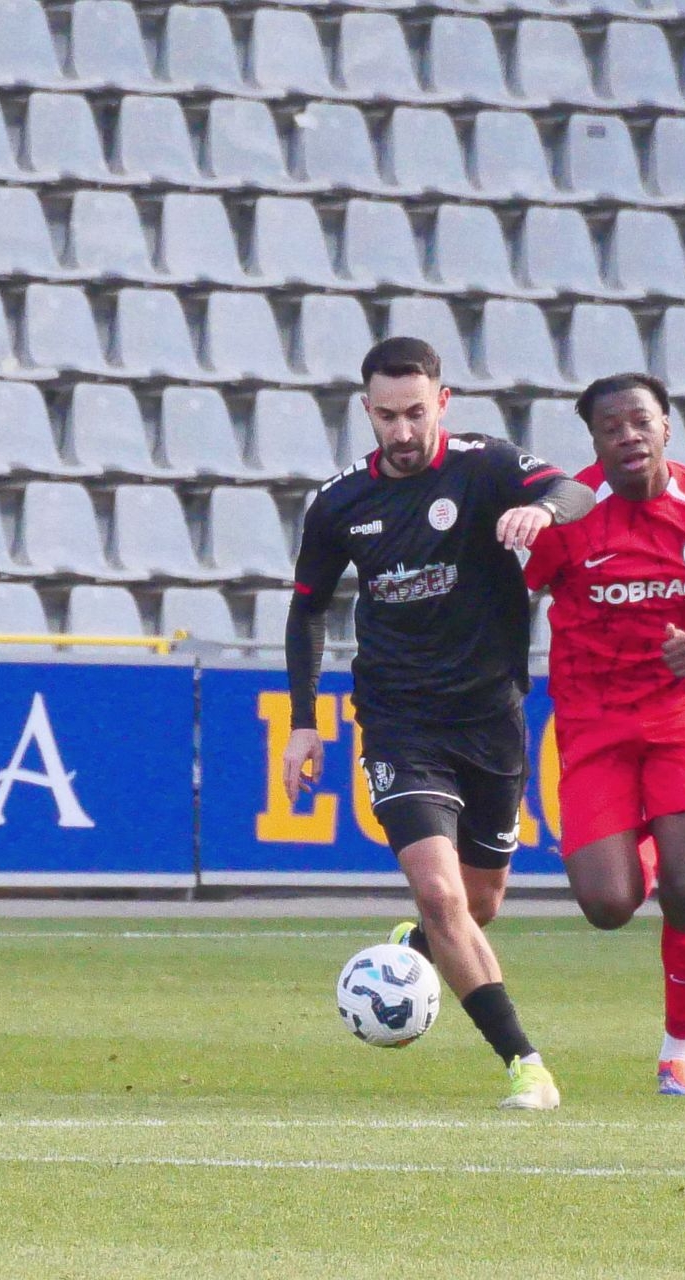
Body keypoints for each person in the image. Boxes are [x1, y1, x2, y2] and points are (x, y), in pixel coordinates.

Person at [281, 337, 595, 1110]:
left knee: (478, 903)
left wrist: (538, 509)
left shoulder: (485, 466)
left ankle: (415, 948)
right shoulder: (340, 503)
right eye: (386, 416)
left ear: (442, 403)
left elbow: (577, 493)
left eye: (416, 413)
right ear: (366, 410)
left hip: (491, 720)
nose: (402, 430)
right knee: (442, 894)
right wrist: (303, 722)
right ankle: (525, 1063)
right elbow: (308, 609)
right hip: (399, 723)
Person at [521, 373, 685, 1097]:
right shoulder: (566, 517)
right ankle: (645, 837)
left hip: (681, 715)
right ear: (594, 442)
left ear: (667, 426)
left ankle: (680, 1051)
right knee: (608, 906)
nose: (629, 435)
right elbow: (511, 600)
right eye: (611, 427)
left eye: (640, 421)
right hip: (592, 722)